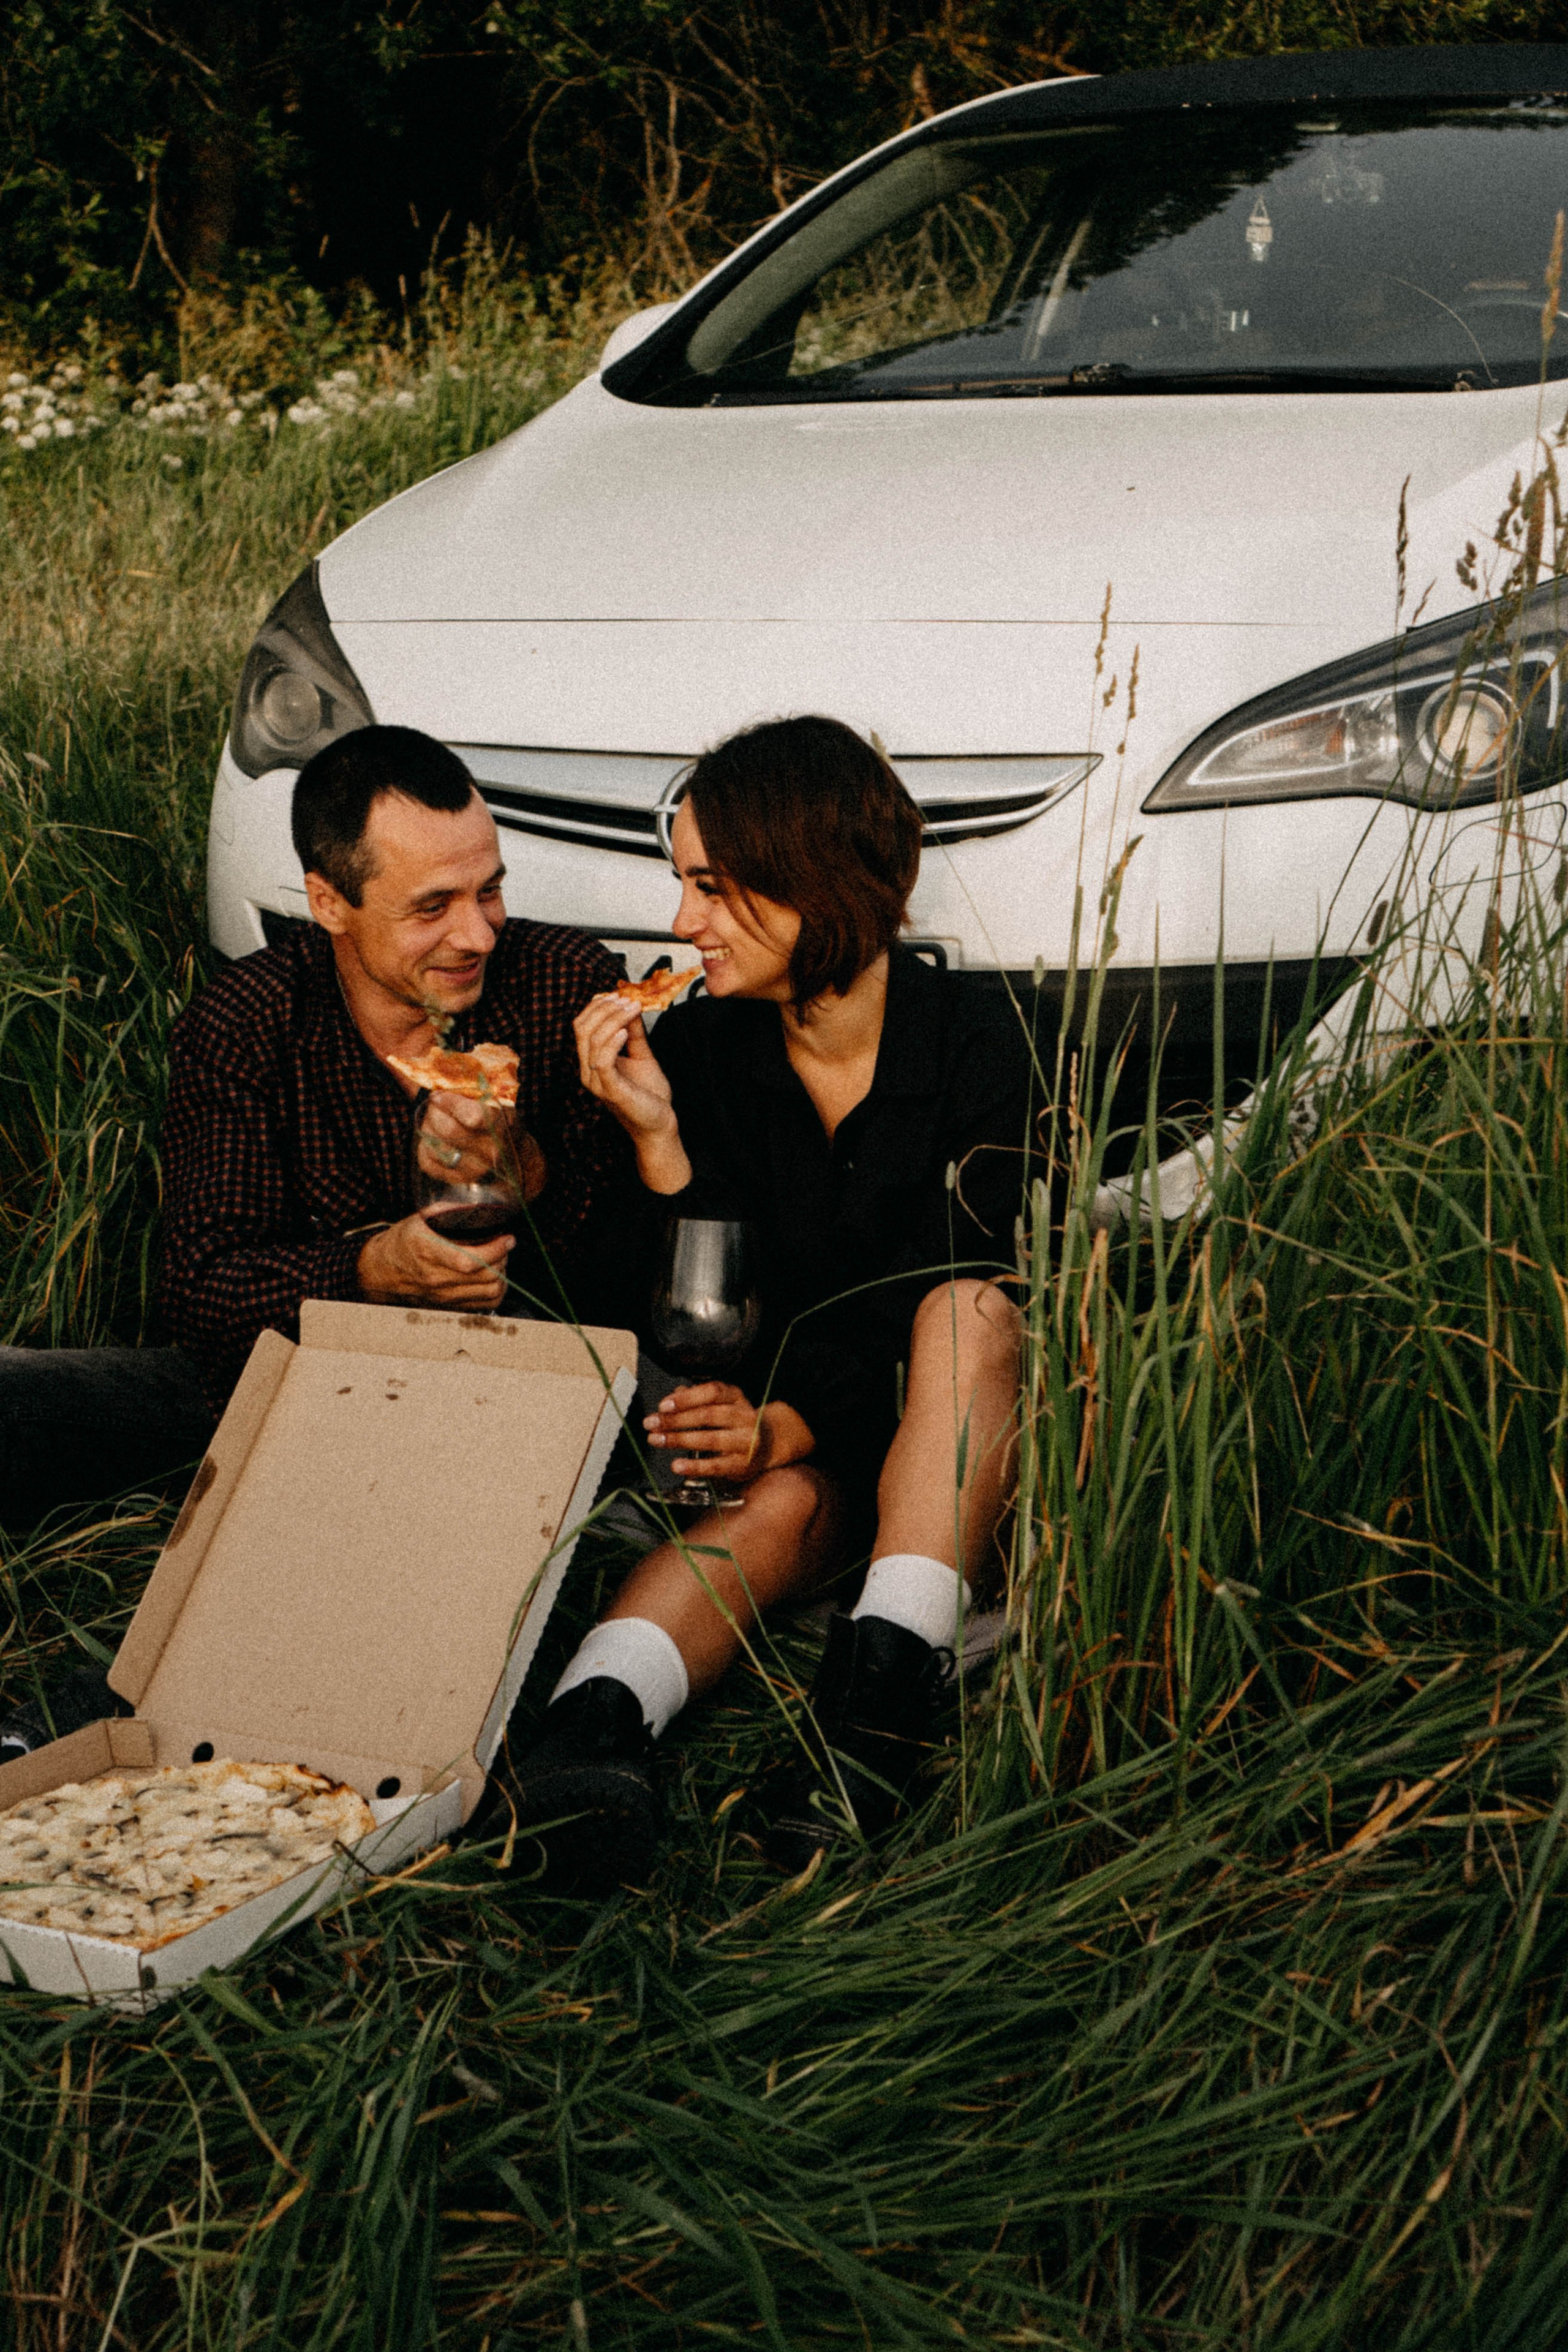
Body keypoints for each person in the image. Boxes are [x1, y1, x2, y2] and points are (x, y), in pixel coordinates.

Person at [0, 725, 633, 1749]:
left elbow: (621, 1274)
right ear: (329, 902)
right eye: (431, 907)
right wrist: (373, 1268)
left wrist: (528, 1174)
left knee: (410, 1537)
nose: (476, 934)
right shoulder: (253, 1018)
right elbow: (203, 1288)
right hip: (282, 1379)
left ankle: (104, 1708)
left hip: (507, 1409)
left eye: (489, 890)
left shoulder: (564, 983)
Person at [508, 715, 1033, 1888]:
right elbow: (686, 1314)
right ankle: (588, 1735)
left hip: (953, 1435)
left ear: (817, 883)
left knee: (964, 1313)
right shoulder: (704, 1051)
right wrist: (654, 1139)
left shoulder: (980, 1045)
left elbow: (948, 1304)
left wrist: (786, 1418)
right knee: (776, 1509)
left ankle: (875, 1725)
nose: (683, 921)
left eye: (713, 886)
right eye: (682, 883)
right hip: (797, 1453)